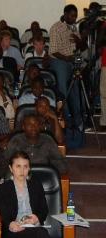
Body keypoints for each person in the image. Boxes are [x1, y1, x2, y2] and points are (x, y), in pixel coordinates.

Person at [49, 5, 86, 142]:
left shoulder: (74, 28)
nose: (74, 18)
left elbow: (81, 47)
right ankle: (67, 122)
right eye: (71, 16)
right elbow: (53, 51)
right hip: (59, 62)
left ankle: (78, 122)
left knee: (76, 91)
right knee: (64, 91)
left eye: (75, 16)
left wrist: (79, 41)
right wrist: (68, 59)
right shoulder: (56, 28)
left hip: (72, 62)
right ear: (64, 14)